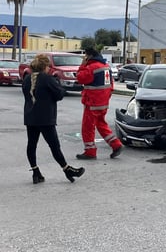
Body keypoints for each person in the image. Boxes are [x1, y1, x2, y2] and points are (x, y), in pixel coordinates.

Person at [22, 54, 85, 184]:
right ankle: (66, 169)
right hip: (45, 118)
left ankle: (35, 172)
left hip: (30, 117)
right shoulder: (47, 79)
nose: (49, 69)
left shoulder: (27, 79)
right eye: (48, 67)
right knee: (54, 145)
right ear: (45, 66)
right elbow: (59, 94)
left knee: (31, 145)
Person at [76, 47, 123, 160]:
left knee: (87, 127)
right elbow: (110, 85)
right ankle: (116, 144)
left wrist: (82, 65)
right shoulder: (106, 67)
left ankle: (90, 151)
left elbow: (80, 78)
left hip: (92, 102)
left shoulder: (91, 67)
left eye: (85, 56)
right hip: (103, 103)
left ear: (89, 56)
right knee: (101, 124)